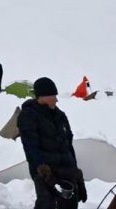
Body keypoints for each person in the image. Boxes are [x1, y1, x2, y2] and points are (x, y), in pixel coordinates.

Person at [17, 77, 87, 209]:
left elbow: (68, 146)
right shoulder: (28, 115)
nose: (56, 99)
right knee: (46, 204)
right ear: (42, 97)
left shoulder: (60, 116)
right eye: (52, 95)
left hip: (66, 170)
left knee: (70, 204)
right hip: (45, 172)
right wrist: (42, 170)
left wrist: (77, 174)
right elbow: (30, 146)